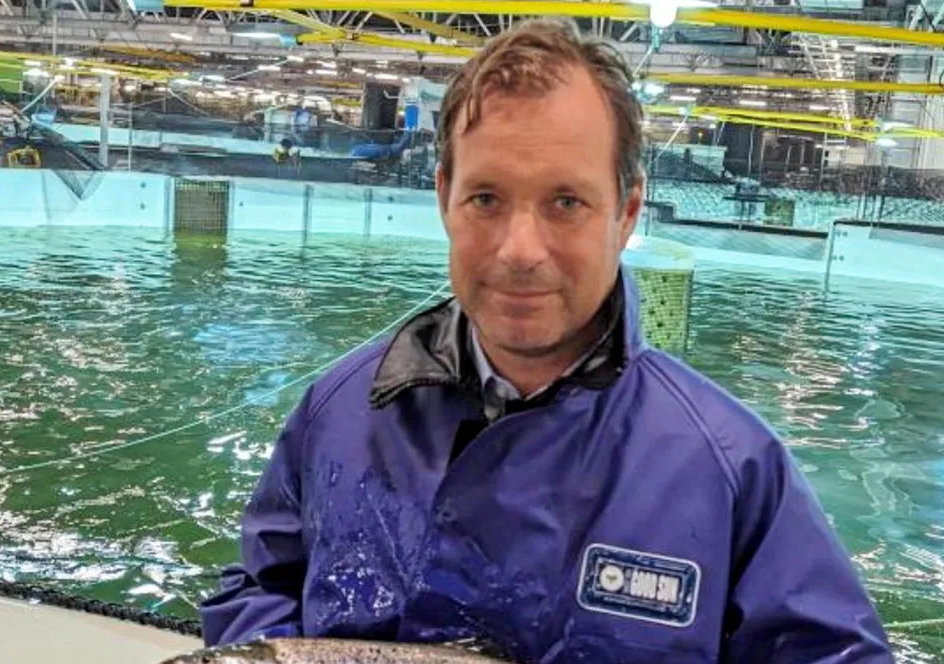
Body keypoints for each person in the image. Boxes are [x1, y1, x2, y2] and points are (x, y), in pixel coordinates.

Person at [201, 18, 893, 663]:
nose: (520, 251)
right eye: (486, 199)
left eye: (566, 202)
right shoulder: (339, 411)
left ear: (626, 212)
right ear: (444, 198)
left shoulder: (731, 471)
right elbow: (262, 586)